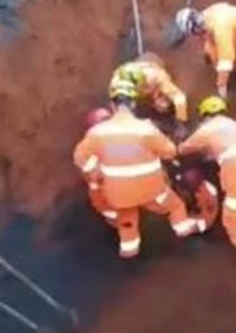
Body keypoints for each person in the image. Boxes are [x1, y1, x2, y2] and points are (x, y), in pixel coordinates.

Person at [72, 82, 199, 260]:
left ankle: (129, 245)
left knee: (126, 213)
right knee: (175, 205)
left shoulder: (97, 133)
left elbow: (79, 156)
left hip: (118, 194)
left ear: (112, 106)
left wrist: (94, 171)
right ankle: (181, 226)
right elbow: (169, 151)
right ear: (133, 105)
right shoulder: (146, 129)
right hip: (152, 189)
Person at [178, 95, 236, 278]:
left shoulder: (206, 130)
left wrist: (180, 145)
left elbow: (183, 149)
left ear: (205, 115)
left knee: (230, 218)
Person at [109, 52, 189, 123]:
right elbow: (113, 102)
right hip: (140, 93)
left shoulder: (157, 76)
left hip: (153, 73)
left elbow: (179, 98)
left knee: (163, 106)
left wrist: (181, 121)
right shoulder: (116, 82)